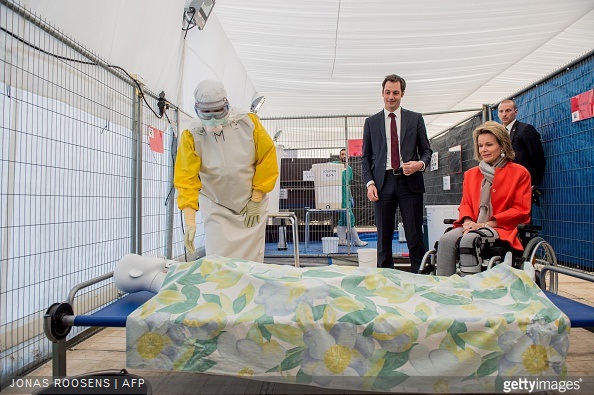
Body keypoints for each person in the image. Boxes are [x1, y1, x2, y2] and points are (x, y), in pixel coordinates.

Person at [174, 80, 279, 262]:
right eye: (206, 113)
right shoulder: (192, 134)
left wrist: (256, 198)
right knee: (218, 260)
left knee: (251, 262)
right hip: (216, 205)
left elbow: (267, 159)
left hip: (251, 204)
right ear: (197, 108)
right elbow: (186, 178)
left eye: (218, 111)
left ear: (227, 104)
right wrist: (190, 220)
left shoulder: (248, 123)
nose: (213, 118)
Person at [435, 121, 532, 276]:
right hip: (472, 224)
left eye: (489, 145)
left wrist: (485, 224)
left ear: (502, 145)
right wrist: (467, 222)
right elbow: (465, 203)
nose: (484, 150)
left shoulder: (519, 173)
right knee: (446, 240)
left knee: (469, 240)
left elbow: (520, 210)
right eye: (480, 146)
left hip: (501, 227)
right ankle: (444, 287)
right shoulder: (471, 174)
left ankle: (471, 289)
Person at [361, 74, 432, 273]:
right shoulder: (371, 122)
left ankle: (420, 276)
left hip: (410, 182)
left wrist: (420, 164)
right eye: (388, 92)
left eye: (396, 93)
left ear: (402, 94)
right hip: (383, 184)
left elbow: (427, 150)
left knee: (414, 235)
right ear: (382, 93)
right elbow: (365, 158)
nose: (391, 97)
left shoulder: (415, 118)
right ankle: (385, 278)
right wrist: (370, 183)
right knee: (383, 237)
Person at [497, 99, 545, 204]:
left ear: (516, 112)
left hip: (523, 183)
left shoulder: (525, 129)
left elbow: (538, 158)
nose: (504, 114)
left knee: (523, 217)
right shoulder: (499, 133)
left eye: (508, 110)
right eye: (501, 111)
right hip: (506, 183)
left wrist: (532, 183)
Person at [335, 148, 368, 247]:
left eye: (345, 154)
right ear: (339, 156)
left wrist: (351, 197)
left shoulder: (349, 169)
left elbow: (348, 184)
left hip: (347, 196)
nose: (344, 156)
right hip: (338, 195)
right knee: (350, 216)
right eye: (342, 154)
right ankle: (356, 241)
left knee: (343, 218)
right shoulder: (336, 166)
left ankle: (341, 240)